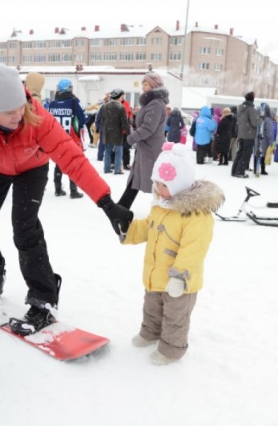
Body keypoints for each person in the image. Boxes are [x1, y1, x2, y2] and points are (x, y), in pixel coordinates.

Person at [0, 64, 133, 334]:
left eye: (20, 105)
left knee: (25, 228)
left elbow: (71, 156)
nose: (19, 115)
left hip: (32, 168)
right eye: (9, 111)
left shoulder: (34, 114)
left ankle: (43, 298)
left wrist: (106, 202)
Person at [123, 142, 224, 365]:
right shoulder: (161, 205)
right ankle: (150, 332)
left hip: (180, 280)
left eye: (164, 184)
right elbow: (149, 226)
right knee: (152, 306)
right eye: (156, 183)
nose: (158, 189)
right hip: (156, 274)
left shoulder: (196, 215)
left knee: (175, 316)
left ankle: (171, 349)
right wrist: (128, 230)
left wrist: (180, 276)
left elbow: (194, 249)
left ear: (179, 184)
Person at [117, 72, 169, 209]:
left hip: (152, 149)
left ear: (153, 85)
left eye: (145, 84)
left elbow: (148, 128)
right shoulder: (151, 102)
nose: (143, 87)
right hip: (145, 147)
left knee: (157, 181)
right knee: (137, 177)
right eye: (143, 84)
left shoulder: (156, 103)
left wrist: (131, 139)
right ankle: (122, 206)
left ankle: (167, 207)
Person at [49, 78, 87, 198]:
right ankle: (73, 190)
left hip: (56, 139)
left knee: (59, 163)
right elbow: (82, 120)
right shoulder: (74, 102)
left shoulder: (52, 103)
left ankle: (58, 188)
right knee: (72, 164)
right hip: (70, 138)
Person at [97, 88, 130, 174]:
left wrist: (102, 129)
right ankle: (117, 169)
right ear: (119, 97)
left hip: (107, 131)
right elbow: (124, 122)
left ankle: (107, 168)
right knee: (118, 151)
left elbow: (101, 119)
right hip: (117, 132)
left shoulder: (104, 106)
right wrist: (128, 133)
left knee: (108, 150)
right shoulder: (121, 107)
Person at [231, 92, 261, 178]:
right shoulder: (251, 109)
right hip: (249, 135)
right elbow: (255, 123)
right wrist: (261, 119)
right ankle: (240, 172)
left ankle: (234, 170)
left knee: (240, 153)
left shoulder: (240, 109)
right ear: (252, 99)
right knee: (246, 154)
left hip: (241, 134)